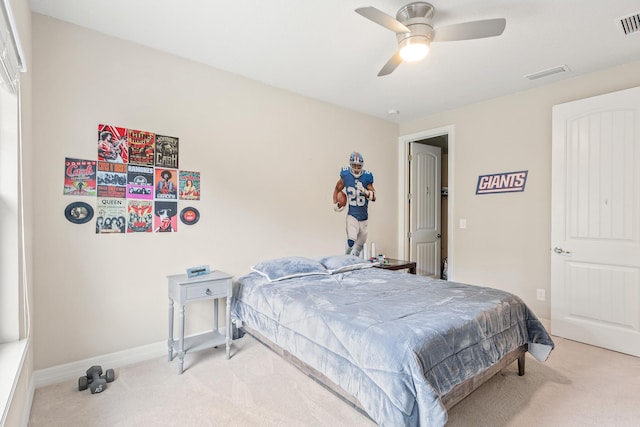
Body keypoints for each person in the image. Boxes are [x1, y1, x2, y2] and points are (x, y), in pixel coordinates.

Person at [333, 151, 376, 257]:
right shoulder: (346, 175)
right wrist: (335, 202)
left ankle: (352, 261)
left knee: (360, 245)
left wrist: (365, 192)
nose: (356, 168)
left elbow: (374, 197)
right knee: (351, 238)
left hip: (364, 217)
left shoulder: (366, 177)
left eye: (358, 166)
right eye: (354, 165)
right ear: (350, 164)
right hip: (352, 214)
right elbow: (337, 188)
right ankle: (345, 257)